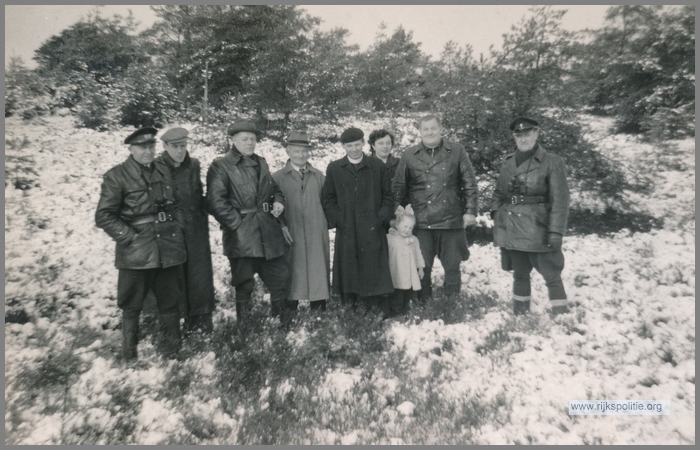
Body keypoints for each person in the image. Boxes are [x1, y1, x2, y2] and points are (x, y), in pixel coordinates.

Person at [95, 127, 186, 361]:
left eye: (150, 147)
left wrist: (177, 227)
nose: (147, 151)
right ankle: (129, 356)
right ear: (131, 149)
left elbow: (174, 204)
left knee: (169, 301)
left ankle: (173, 354)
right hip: (136, 251)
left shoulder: (163, 171)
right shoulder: (117, 176)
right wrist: (130, 238)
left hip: (167, 246)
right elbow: (104, 216)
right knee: (131, 304)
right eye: (142, 147)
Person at [206, 119, 290, 321]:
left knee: (280, 279)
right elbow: (215, 202)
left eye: (253, 139)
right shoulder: (221, 165)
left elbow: (275, 189)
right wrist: (237, 225)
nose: (250, 143)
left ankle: (282, 326)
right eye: (245, 139)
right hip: (242, 237)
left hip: (268, 233)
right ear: (232, 140)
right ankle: (245, 329)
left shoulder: (261, 161)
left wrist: (278, 201)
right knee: (244, 284)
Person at [392, 114, 479, 301]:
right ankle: (424, 303)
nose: (430, 132)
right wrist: (396, 214)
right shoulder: (409, 155)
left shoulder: (457, 151)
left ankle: (451, 303)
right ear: (420, 132)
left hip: (451, 220)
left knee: (452, 265)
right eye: (425, 129)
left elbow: (469, 182)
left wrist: (470, 211)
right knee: (422, 264)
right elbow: (398, 187)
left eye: (433, 128)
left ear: (441, 129)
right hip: (422, 221)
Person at [490, 116, 570, 316]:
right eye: (519, 135)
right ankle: (520, 314)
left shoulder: (552, 162)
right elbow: (499, 193)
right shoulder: (508, 162)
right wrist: (496, 213)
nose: (523, 139)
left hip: (538, 228)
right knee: (519, 273)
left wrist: (555, 232)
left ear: (536, 134)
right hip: (512, 227)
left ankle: (561, 315)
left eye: (527, 134)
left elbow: (560, 201)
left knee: (552, 273)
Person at [321, 127, 395, 312]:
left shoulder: (377, 166)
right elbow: (328, 198)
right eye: (349, 145)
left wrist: (381, 219)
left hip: (372, 226)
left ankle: (375, 306)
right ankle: (350, 306)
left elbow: (388, 196)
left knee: (373, 265)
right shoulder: (335, 168)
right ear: (343, 146)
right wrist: (338, 220)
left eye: (357, 144)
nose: (354, 149)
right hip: (347, 228)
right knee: (348, 267)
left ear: (363, 143)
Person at [156, 127, 216, 334]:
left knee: (199, 278)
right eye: (175, 147)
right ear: (164, 146)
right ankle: (170, 332)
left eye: (183, 146)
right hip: (170, 231)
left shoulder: (193, 165)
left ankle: (200, 326)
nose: (180, 151)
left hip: (195, 231)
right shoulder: (156, 168)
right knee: (173, 280)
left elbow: (198, 195)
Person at [272, 131, 330, 312]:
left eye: (304, 151)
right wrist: (281, 226)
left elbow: (329, 202)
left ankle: (319, 310)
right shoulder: (277, 178)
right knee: (291, 270)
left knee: (317, 268)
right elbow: (270, 207)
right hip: (291, 231)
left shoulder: (319, 176)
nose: (301, 155)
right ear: (288, 151)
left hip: (315, 231)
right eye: (296, 151)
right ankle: (288, 312)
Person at [386, 204, 425, 317]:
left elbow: (418, 254)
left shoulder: (414, 240)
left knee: (411, 294)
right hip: (396, 272)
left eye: (410, 228)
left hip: (410, 273)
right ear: (397, 224)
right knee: (397, 295)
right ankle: (397, 313)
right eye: (405, 226)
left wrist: (420, 268)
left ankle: (410, 312)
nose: (407, 230)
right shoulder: (390, 238)